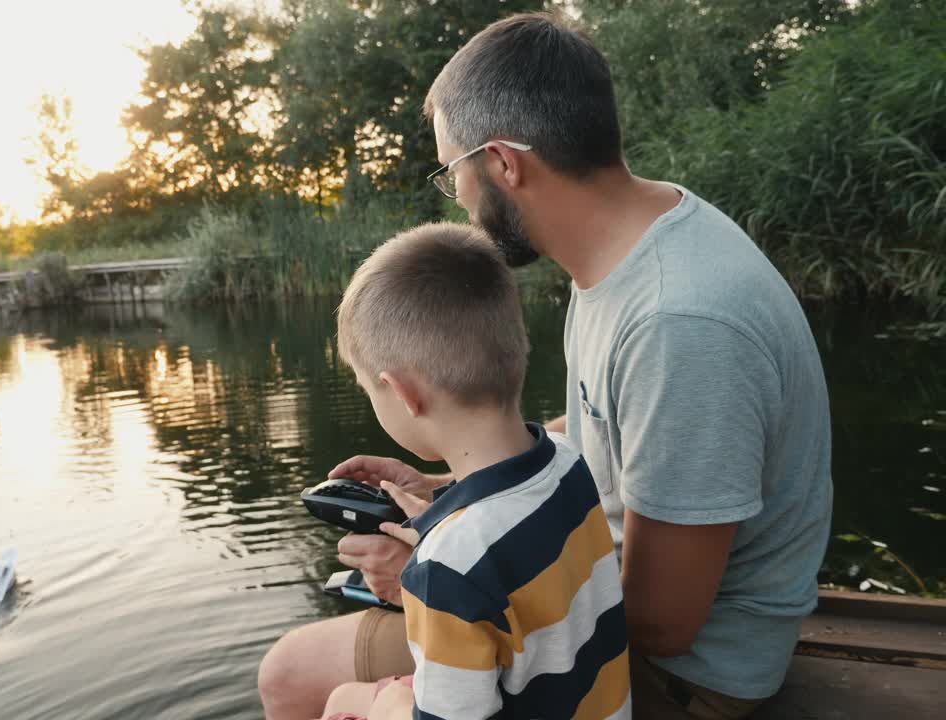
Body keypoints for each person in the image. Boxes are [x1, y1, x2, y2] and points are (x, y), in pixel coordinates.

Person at [259, 11, 832, 720]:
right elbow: (608, 433)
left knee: (294, 676)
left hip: (682, 675)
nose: (460, 199)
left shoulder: (677, 323)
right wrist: (455, 486)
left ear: (503, 163)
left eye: (452, 171)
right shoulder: (627, 251)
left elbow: (663, 620)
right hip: (589, 600)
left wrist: (434, 580)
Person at [315, 223, 629, 720]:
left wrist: (388, 704)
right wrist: (438, 516)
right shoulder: (569, 461)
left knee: (344, 703)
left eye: (368, 390)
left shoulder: (444, 571)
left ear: (402, 393)